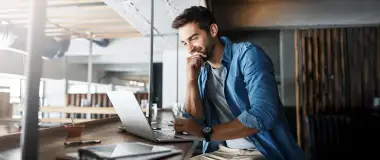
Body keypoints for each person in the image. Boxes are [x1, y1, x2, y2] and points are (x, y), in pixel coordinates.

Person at [171, 6, 306, 160]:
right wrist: (192, 80)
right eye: (184, 43)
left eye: (194, 38)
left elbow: (263, 114)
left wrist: (206, 132)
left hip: (260, 151)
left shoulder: (248, 55)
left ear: (213, 30)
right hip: (224, 151)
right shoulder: (204, 71)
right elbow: (195, 120)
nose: (190, 49)